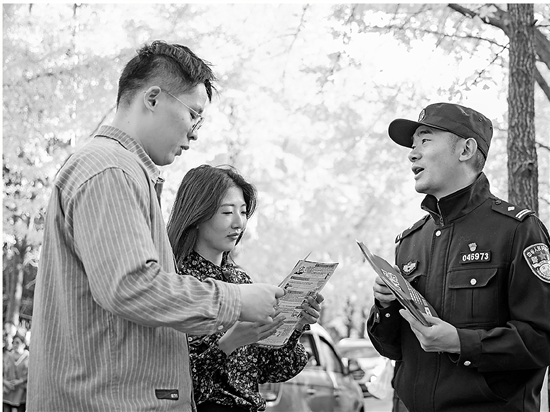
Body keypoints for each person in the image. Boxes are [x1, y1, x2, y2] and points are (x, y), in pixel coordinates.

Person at [27, 40, 283, 412]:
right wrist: (237, 300)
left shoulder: (121, 169)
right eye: (193, 114)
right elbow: (129, 285)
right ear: (153, 98)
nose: (195, 133)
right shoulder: (110, 168)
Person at [367, 102, 550, 412]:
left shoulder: (517, 230)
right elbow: (393, 349)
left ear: (466, 150)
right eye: (412, 145)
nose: (412, 154)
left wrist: (460, 343)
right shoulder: (410, 241)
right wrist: (385, 306)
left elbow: (542, 339)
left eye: (425, 141)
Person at [166, 165, 324, 412]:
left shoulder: (240, 279)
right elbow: (172, 385)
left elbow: (272, 369)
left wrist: (296, 324)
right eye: (227, 212)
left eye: (242, 211)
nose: (239, 222)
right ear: (197, 215)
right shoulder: (176, 281)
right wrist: (227, 344)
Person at [3, 333, 29, 412]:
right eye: (13, 342)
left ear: (23, 344)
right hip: (7, 392)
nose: (15, 345)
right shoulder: (7, 356)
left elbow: (30, 375)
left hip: (21, 394)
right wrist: (6, 382)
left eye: (17, 342)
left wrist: (19, 381)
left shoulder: (28, 357)